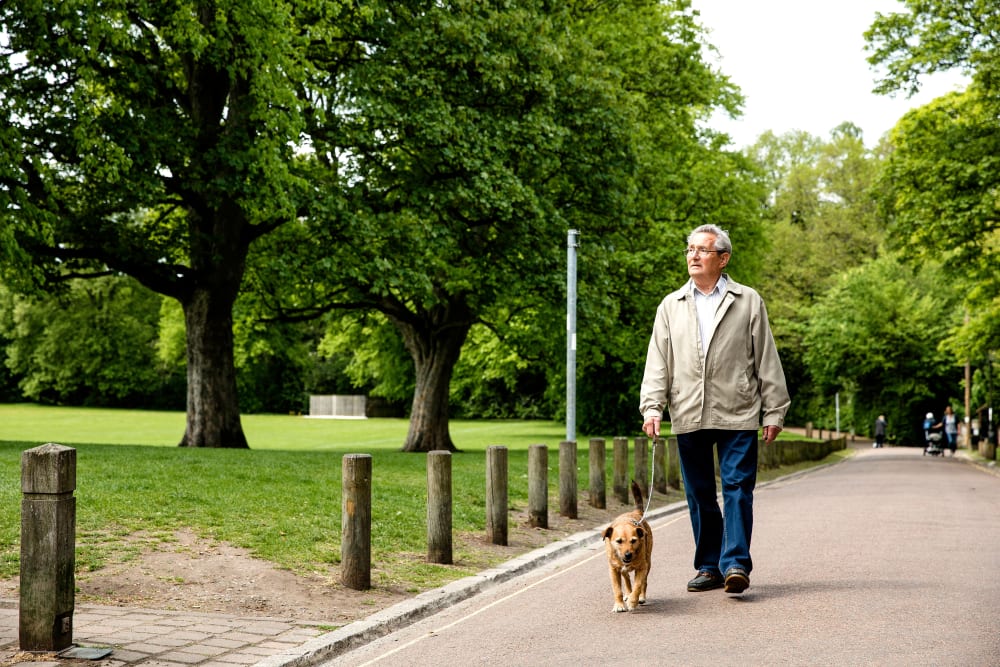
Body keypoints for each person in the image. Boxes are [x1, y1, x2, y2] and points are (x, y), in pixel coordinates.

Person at [639, 224, 790, 595]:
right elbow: (658, 360)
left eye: (702, 250)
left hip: (738, 410)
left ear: (723, 259)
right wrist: (652, 407)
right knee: (700, 493)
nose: (693, 256)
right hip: (688, 410)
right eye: (689, 249)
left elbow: (766, 358)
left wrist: (774, 410)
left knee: (738, 486)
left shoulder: (748, 300)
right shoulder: (670, 305)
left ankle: (736, 562)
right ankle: (709, 566)